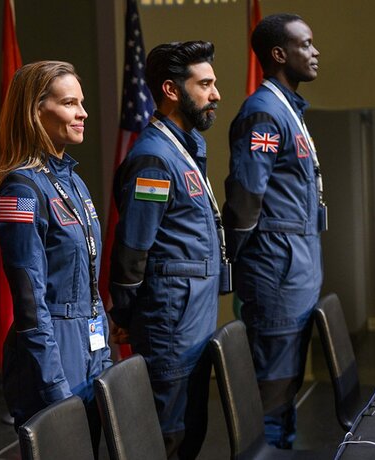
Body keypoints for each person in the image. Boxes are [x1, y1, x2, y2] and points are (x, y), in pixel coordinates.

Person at [0, 61, 112, 454]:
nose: (83, 113)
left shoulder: (72, 180)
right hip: (52, 351)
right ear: (35, 111)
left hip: (89, 344)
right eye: (70, 103)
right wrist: (54, 384)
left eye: (82, 102)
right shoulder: (20, 189)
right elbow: (29, 302)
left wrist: (102, 352)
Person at [108, 41, 224, 459]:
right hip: (171, 324)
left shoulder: (183, 148)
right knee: (168, 437)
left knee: (190, 430)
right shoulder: (155, 159)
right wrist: (125, 314)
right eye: (204, 84)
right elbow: (133, 248)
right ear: (172, 90)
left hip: (191, 318)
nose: (216, 94)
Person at [221, 13, 324, 449]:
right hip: (276, 272)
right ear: (279, 54)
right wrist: (243, 262)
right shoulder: (264, 112)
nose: (315, 52)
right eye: (306, 44)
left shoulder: (287, 109)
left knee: (286, 392)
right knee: (272, 397)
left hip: (294, 267)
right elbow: (246, 197)